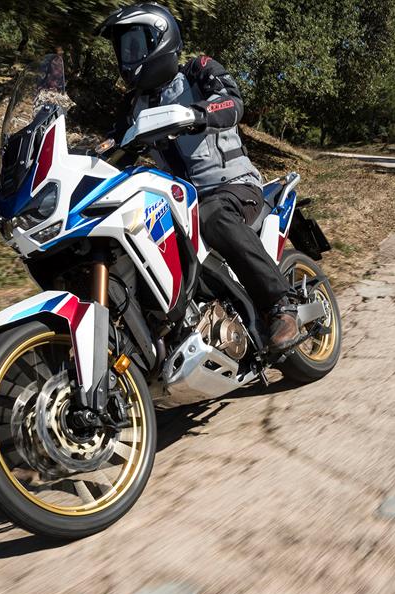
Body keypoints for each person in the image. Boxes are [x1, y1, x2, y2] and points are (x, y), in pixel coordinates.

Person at [99, 2, 300, 351]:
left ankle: (281, 304)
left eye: (135, 44)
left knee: (213, 214)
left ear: (160, 39)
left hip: (234, 187)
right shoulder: (133, 105)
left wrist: (197, 113)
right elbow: (113, 142)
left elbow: (232, 102)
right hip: (179, 203)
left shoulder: (198, 71)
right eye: (123, 48)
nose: (128, 56)